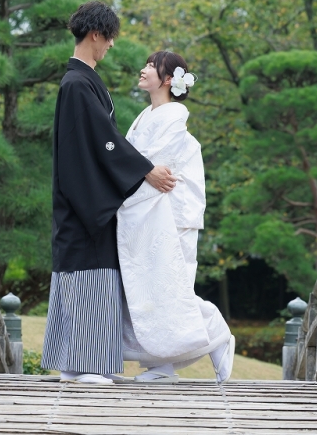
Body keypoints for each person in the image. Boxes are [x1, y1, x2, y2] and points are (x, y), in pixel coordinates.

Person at [41, 1, 177, 385]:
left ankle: (72, 365)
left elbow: (104, 140)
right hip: (85, 201)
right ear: (96, 34)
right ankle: (88, 366)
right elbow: (105, 141)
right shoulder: (77, 84)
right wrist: (146, 170)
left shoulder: (80, 81)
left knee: (79, 273)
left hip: (83, 197)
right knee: (90, 274)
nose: (111, 45)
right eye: (110, 38)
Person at [117, 51, 235, 384]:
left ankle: (215, 332)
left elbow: (156, 167)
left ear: (169, 79)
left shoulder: (173, 118)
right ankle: (163, 366)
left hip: (171, 216)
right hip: (151, 214)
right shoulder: (147, 115)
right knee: (150, 290)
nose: (143, 70)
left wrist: (126, 177)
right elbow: (141, 164)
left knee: (170, 289)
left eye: (151, 66)